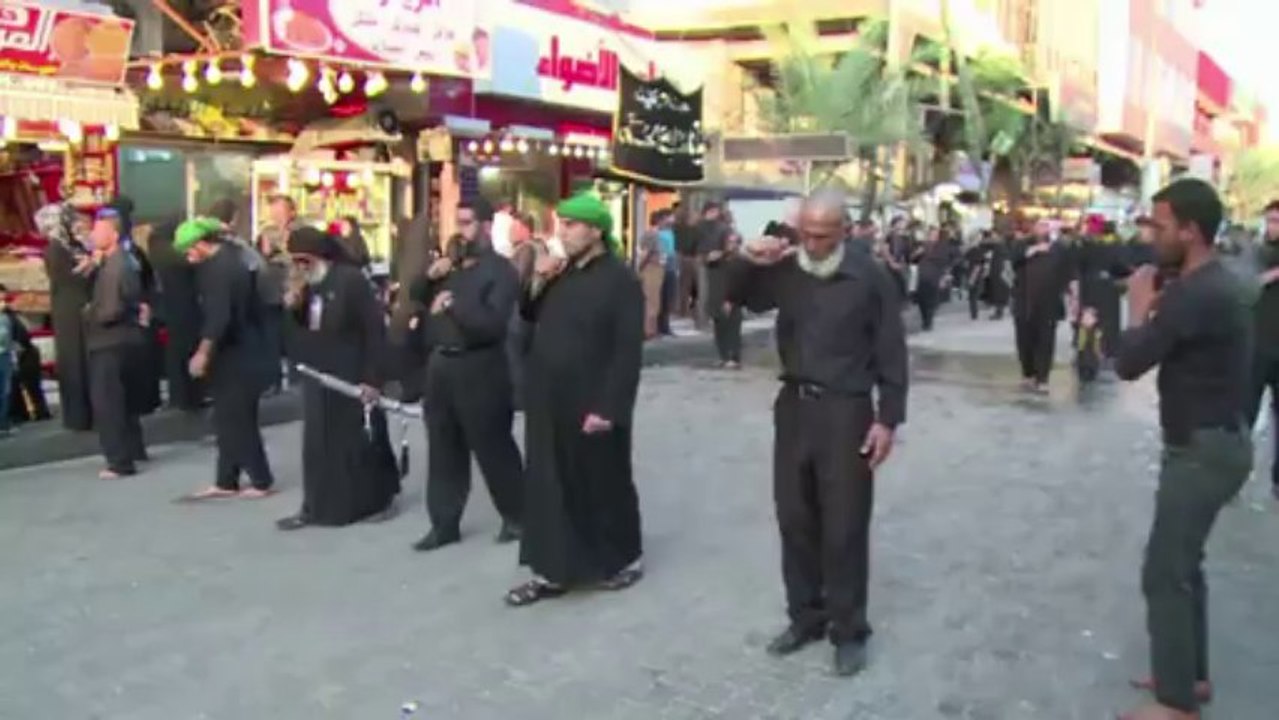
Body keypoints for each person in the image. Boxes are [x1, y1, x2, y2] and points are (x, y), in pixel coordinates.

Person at [726, 189, 907, 677]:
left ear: (844, 230)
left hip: (847, 412)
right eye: (806, 233)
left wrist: (888, 419)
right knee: (795, 518)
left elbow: (892, 351)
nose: (813, 243)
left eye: (823, 235)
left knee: (844, 526)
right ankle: (805, 616)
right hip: (794, 410)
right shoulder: (789, 269)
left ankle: (848, 630)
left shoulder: (870, 277)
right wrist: (747, 257)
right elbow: (736, 295)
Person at [1113, 179, 1252, 720]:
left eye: (1160, 225)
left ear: (1191, 231)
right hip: (1216, 443)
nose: (1152, 236)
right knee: (1185, 567)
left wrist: (1139, 309)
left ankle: (1175, 706)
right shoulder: (1214, 283)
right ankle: (1187, 676)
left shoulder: (1194, 293)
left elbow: (1129, 362)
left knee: (1164, 571)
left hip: (1201, 451)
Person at [504, 192, 645, 607]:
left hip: (593, 402)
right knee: (549, 484)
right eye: (559, 223)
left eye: (570, 225)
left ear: (595, 230)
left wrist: (610, 408)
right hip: (549, 398)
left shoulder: (620, 280)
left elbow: (626, 353)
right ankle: (553, 570)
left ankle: (618, 562)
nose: (561, 232)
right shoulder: (561, 272)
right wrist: (538, 280)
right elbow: (528, 316)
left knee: (601, 482)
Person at [410, 199, 524, 551]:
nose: (460, 230)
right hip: (442, 365)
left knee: (492, 445)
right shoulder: (451, 267)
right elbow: (415, 297)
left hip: (481, 365)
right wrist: (427, 277)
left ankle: (518, 516)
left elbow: (492, 325)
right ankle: (444, 523)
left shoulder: (501, 271)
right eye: (456, 222)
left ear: (487, 227)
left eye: (467, 223)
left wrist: (454, 307)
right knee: (443, 446)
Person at [276, 227, 400, 530]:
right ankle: (315, 506)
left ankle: (371, 501)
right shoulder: (309, 286)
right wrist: (294, 307)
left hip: (353, 374)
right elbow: (302, 331)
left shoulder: (350, 281)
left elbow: (374, 331)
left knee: (358, 443)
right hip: (320, 375)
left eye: (305, 261)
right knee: (318, 444)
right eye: (296, 262)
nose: (301, 268)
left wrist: (373, 378)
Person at [172, 217, 278, 501]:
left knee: (237, 418)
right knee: (226, 417)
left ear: (202, 244)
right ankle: (226, 479)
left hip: (237, 353)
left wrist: (203, 352)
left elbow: (220, 316)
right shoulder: (234, 259)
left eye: (189, 249)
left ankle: (260, 478)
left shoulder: (220, 271)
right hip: (242, 349)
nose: (188, 256)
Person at [84, 209, 148, 479]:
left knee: (108, 402)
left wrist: (89, 313)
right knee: (125, 400)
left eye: (98, 231)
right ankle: (134, 450)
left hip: (109, 340)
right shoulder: (124, 260)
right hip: (127, 338)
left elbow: (110, 309)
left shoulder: (115, 266)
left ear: (113, 233)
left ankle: (119, 461)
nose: (92, 235)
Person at [37, 202, 94, 431]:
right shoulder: (55, 249)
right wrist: (91, 265)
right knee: (74, 360)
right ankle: (78, 416)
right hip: (69, 311)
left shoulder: (68, 245)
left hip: (77, 307)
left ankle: (88, 411)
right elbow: (69, 280)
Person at [1011, 220, 1073, 394]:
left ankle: (1043, 377)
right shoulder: (1022, 245)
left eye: (1047, 226)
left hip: (1049, 302)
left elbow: (1068, 272)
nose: (1043, 229)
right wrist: (1033, 251)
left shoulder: (1059, 249)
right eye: (1040, 225)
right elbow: (1014, 261)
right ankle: (1028, 374)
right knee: (1024, 340)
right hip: (1025, 301)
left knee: (1045, 340)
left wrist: (1071, 296)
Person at [1246, 199, 1279, 502]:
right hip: (1256, 346)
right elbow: (1245, 287)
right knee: (1245, 413)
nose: (1273, 227)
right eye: (1270, 220)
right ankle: (1235, 473)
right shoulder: (1256, 253)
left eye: (1277, 222)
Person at [256, 194, 299, 392]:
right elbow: (261, 256)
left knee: (294, 337)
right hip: (271, 292)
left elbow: (298, 257)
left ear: (291, 212)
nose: (277, 216)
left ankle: (297, 378)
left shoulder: (301, 230)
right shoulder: (267, 231)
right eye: (274, 212)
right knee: (270, 338)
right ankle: (272, 381)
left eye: (280, 211)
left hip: (294, 289)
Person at [912, 226, 955, 331]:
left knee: (931, 300)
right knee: (922, 300)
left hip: (934, 276)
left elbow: (946, 263)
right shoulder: (921, 245)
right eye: (931, 234)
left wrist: (944, 277)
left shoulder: (942, 247)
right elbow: (912, 259)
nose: (933, 236)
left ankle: (928, 322)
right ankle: (924, 319)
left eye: (935, 234)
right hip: (922, 276)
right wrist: (917, 253)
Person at [637, 210, 669, 340]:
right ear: (660, 220)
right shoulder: (651, 234)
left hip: (657, 268)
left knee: (655, 300)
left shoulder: (656, 234)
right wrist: (639, 267)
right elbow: (646, 252)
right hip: (651, 268)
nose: (669, 221)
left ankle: (652, 329)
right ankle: (648, 331)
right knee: (651, 300)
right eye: (667, 219)